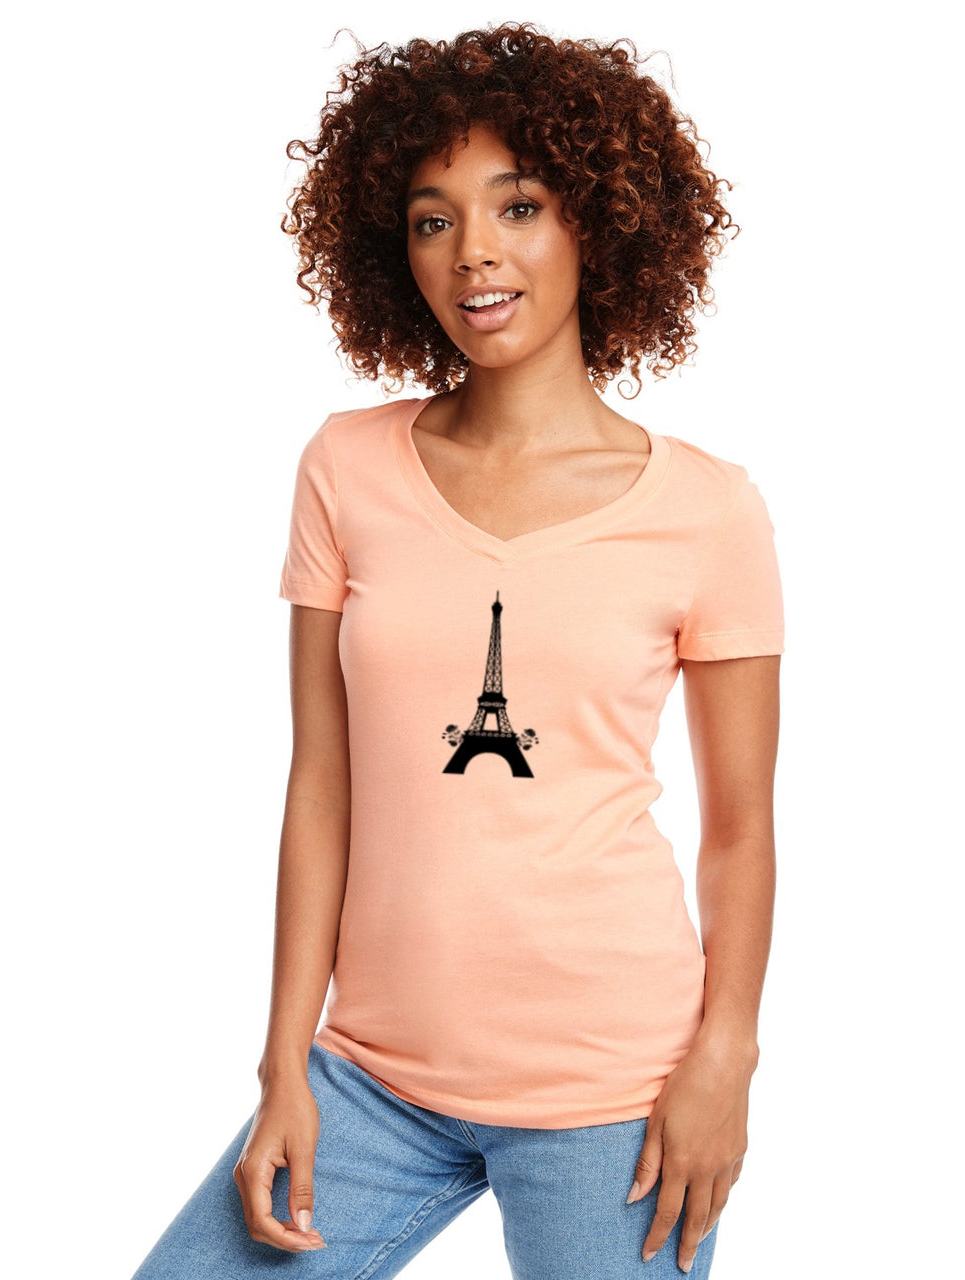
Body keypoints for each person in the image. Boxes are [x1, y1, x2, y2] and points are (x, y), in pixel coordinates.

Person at [130, 22, 784, 1280]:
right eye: (433, 220)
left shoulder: (709, 509)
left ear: (598, 223)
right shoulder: (346, 467)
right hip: (369, 1074)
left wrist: (725, 1058)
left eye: (518, 206)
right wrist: (283, 1062)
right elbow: (321, 784)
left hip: (615, 1090)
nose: (474, 249)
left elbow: (741, 827)